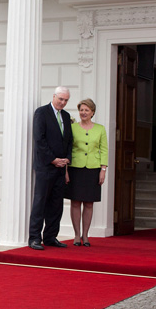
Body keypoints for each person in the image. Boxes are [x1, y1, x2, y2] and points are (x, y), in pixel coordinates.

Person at [28, 87, 73, 250]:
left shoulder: (66, 116)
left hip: (61, 168)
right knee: (40, 202)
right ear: (54, 96)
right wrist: (53, 160)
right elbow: (39, 140)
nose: (63, 102)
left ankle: (50, 236)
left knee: (56, 204)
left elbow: (69, 140)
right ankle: (34, 238)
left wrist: (67, 159)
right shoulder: (42, 112)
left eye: (66, 100)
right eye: (61, 99)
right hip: (46, 166)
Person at [65, 98, 108, 247]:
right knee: (75, 202)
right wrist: (66, 170)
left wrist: (103, 170)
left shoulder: (100, 129)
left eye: (86, 110)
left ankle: (86, 235)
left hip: (93, 169)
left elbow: (104, 149)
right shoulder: (72, 128)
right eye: (81, 110)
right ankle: (77, 235)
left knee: (89, 203)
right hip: (75, 168)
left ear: (92, 112)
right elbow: (67, 149)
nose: (83, 112)